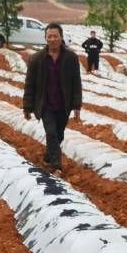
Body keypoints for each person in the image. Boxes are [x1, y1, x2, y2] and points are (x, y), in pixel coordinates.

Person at [22, 22, 83, 171]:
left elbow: (76, 82)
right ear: (45, 38)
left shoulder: (71, 58)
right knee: (51, 133)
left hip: (63, 104)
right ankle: (57, 166)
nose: (53, 39)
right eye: (49, 36)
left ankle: (49, 156)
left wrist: (76, 106)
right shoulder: (36, 59)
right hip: (45, 104)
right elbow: (30, 84)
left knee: (58, 135)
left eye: (55, 36)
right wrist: (27, 107)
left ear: (61, 37)